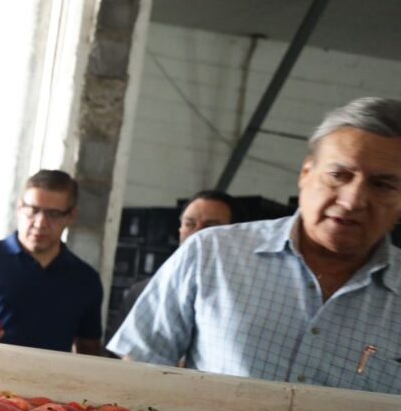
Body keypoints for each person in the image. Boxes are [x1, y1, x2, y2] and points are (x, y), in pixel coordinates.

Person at [109, 97, 401, 395]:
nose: (352, 201)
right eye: (339, 175)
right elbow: (139, 368)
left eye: (382, 185)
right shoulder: (211, 254)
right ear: (306, 173)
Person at [0, 170, 104, 355]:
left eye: (54, 214)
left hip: (51, 381)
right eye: (32, 210)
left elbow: (89, 351)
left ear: (71, 216)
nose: (40, 222)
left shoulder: (86, 279)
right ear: (19, 208)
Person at [113, 190, 236, 330]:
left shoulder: (243, 296)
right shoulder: (144, 293)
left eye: (210, 226)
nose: (197, 234)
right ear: (180, 230)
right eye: (190, 224)